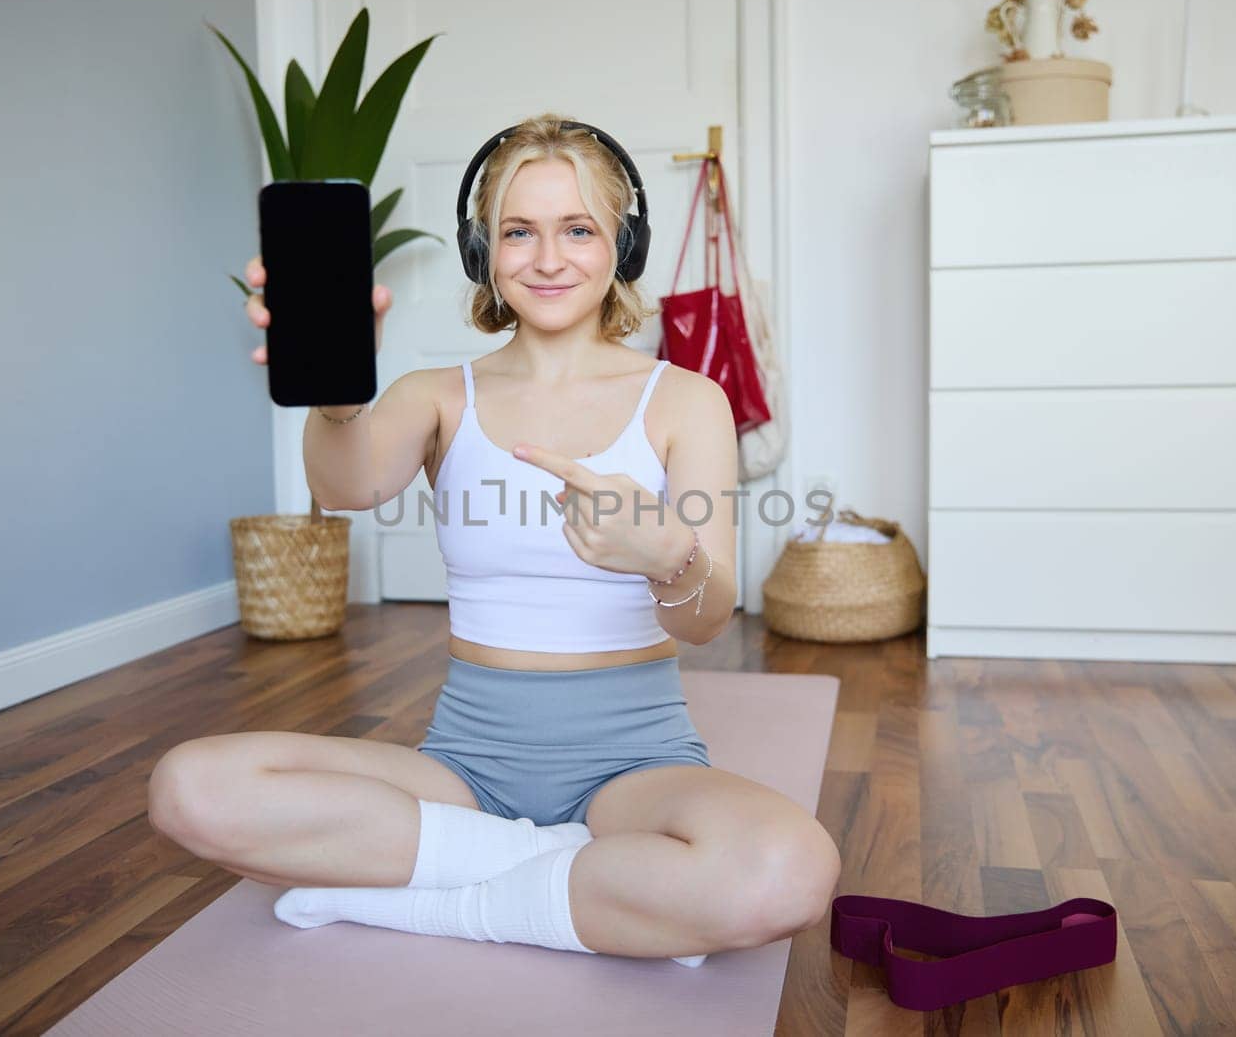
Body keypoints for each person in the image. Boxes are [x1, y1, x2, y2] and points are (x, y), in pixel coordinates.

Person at [147, 114, 840, 969]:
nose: (548, 258)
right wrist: (335, 392)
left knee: (791, 871)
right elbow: (342, 486)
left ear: (623, 243)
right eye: (519, 231)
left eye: (578, 228)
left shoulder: (685, 399)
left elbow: (706, 620)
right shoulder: (435, 394)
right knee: (189, 788)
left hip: (634, 766)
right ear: (483, 250)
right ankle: (558, 882)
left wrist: (670, 557)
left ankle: (451, 898)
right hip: (464, 769)